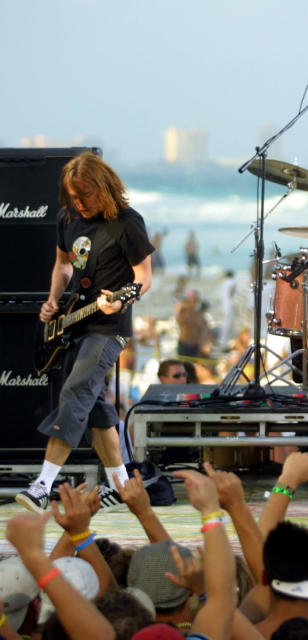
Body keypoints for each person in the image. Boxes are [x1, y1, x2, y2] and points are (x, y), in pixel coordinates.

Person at [17, 152, 153, 514]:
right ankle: (121, 486)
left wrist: (122, 301)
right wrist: (51, 301)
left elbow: (143, 278)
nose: (79, 202)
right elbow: (63, 264)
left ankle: (43, 484)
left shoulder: (127, 223)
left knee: (76, 390)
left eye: (86, 195)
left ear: (104, 187)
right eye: (73, 196)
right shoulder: (68, 219)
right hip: (74, 320)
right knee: (92, 404)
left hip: (109, 328)